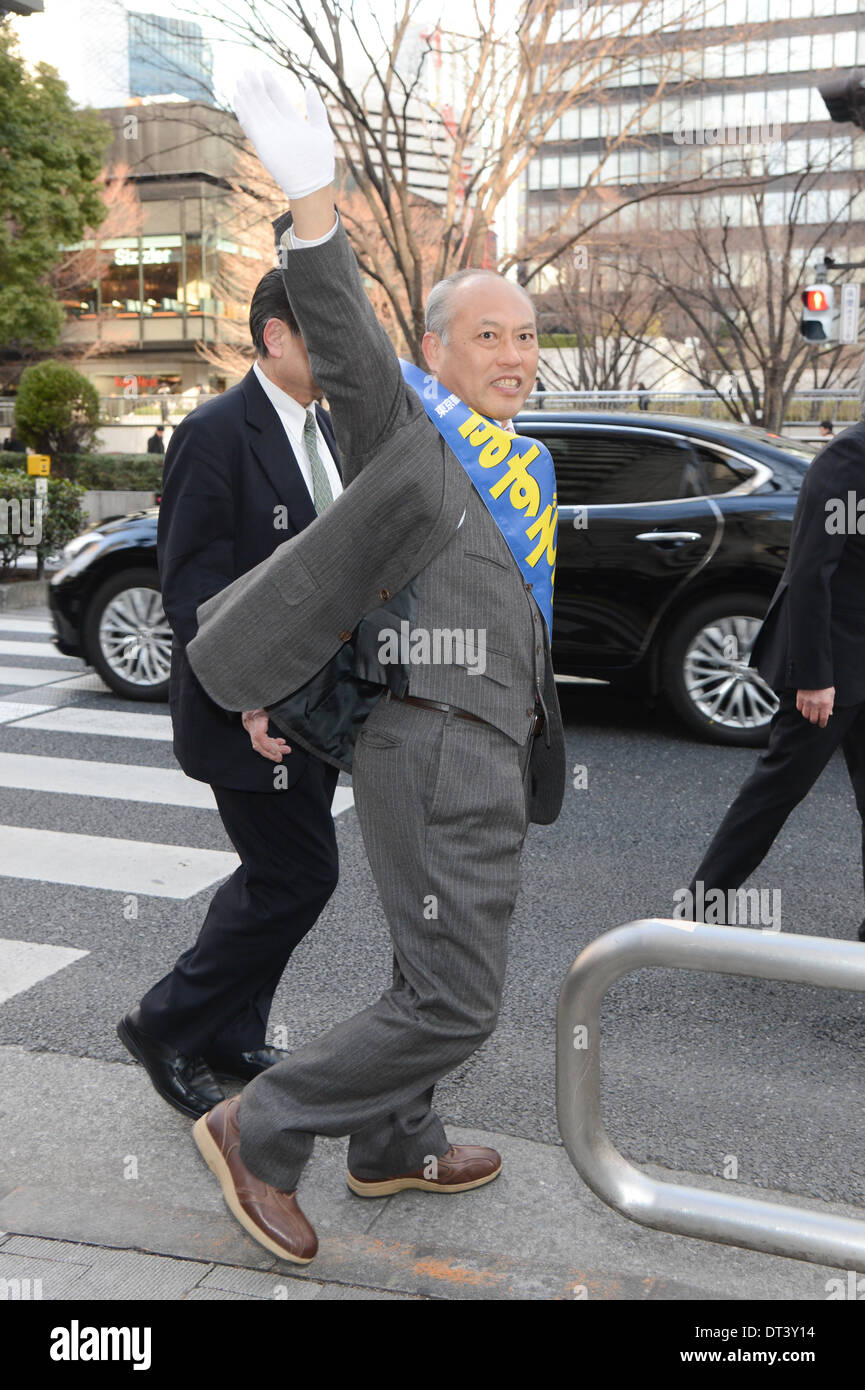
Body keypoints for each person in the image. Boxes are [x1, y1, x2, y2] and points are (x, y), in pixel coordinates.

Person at [183, 72, 566, 1265]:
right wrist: (313, 208)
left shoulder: (528, 466)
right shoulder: (412, 439)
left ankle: (395, 1141)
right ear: (436, 353)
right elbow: (347, 342)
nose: (513, 353)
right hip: (437, 739)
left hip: (481, 741)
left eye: (526, 334)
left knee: (425, 957)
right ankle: (263, 1126)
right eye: (486, 335)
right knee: (456, 996)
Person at [117, 267, 342, 1119]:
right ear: (275, 336)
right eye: (323, 329)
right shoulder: (215, 431)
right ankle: (164, 1023)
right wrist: (248, 692)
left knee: (276, 873)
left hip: (314, 706)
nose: (339, 350)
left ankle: (230, 1027)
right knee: (297, 876)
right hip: (247, 710)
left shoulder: (323, 431)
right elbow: (191, 584)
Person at [684, 356, 865, 939]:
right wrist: (814, 675)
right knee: (777, 790)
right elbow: (811, 572)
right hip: (832, 663)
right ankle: (699, 909)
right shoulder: (849, 458)